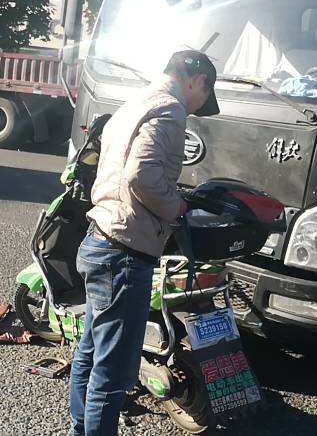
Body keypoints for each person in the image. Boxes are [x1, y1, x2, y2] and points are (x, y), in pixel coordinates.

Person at [68, 50, 219, 436]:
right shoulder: (171, 109)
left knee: (91, 351)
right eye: (206, 93)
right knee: (114, 369)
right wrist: (177, 206)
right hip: (124, 250)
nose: (201, 102)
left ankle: (78, 429)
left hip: (101, 237)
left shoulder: (137, 102)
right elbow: (142, 175)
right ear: (197, 80)